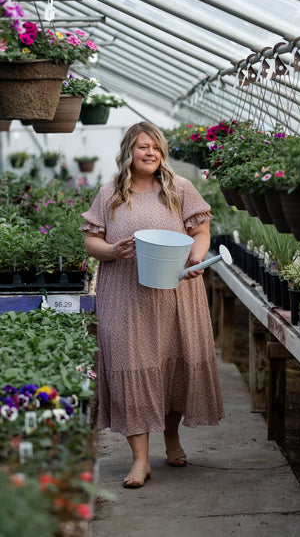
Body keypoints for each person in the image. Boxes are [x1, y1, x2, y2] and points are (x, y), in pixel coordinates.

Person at [80, 122, 224, 489]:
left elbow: (201, 231)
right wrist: (112, 251)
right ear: (128, 151)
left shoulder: (180, 189)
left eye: (156, 148)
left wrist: (196, 257)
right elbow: (91, 241)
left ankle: (172, 439)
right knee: (131, 368)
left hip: (176, 293)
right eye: (143, 147)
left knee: (174, 368)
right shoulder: (110, 193)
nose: (150, 153)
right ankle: (140, 460)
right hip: (125, 295)